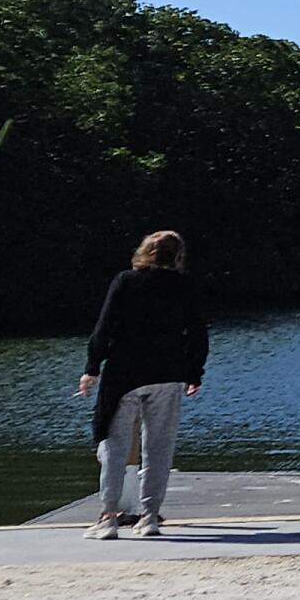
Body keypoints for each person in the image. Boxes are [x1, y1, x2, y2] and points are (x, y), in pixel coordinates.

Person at [77, 230, 207, 539]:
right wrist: (194, 373)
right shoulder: (185, 286)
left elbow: (105, 326)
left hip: (125, 374)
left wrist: (92, 367)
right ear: (177, 256)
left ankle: (108, 517)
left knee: (113, 445)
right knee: (159, 447)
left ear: (145, 251)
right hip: (168, 373)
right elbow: (198, 332)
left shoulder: (126, 281)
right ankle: (149, 517)